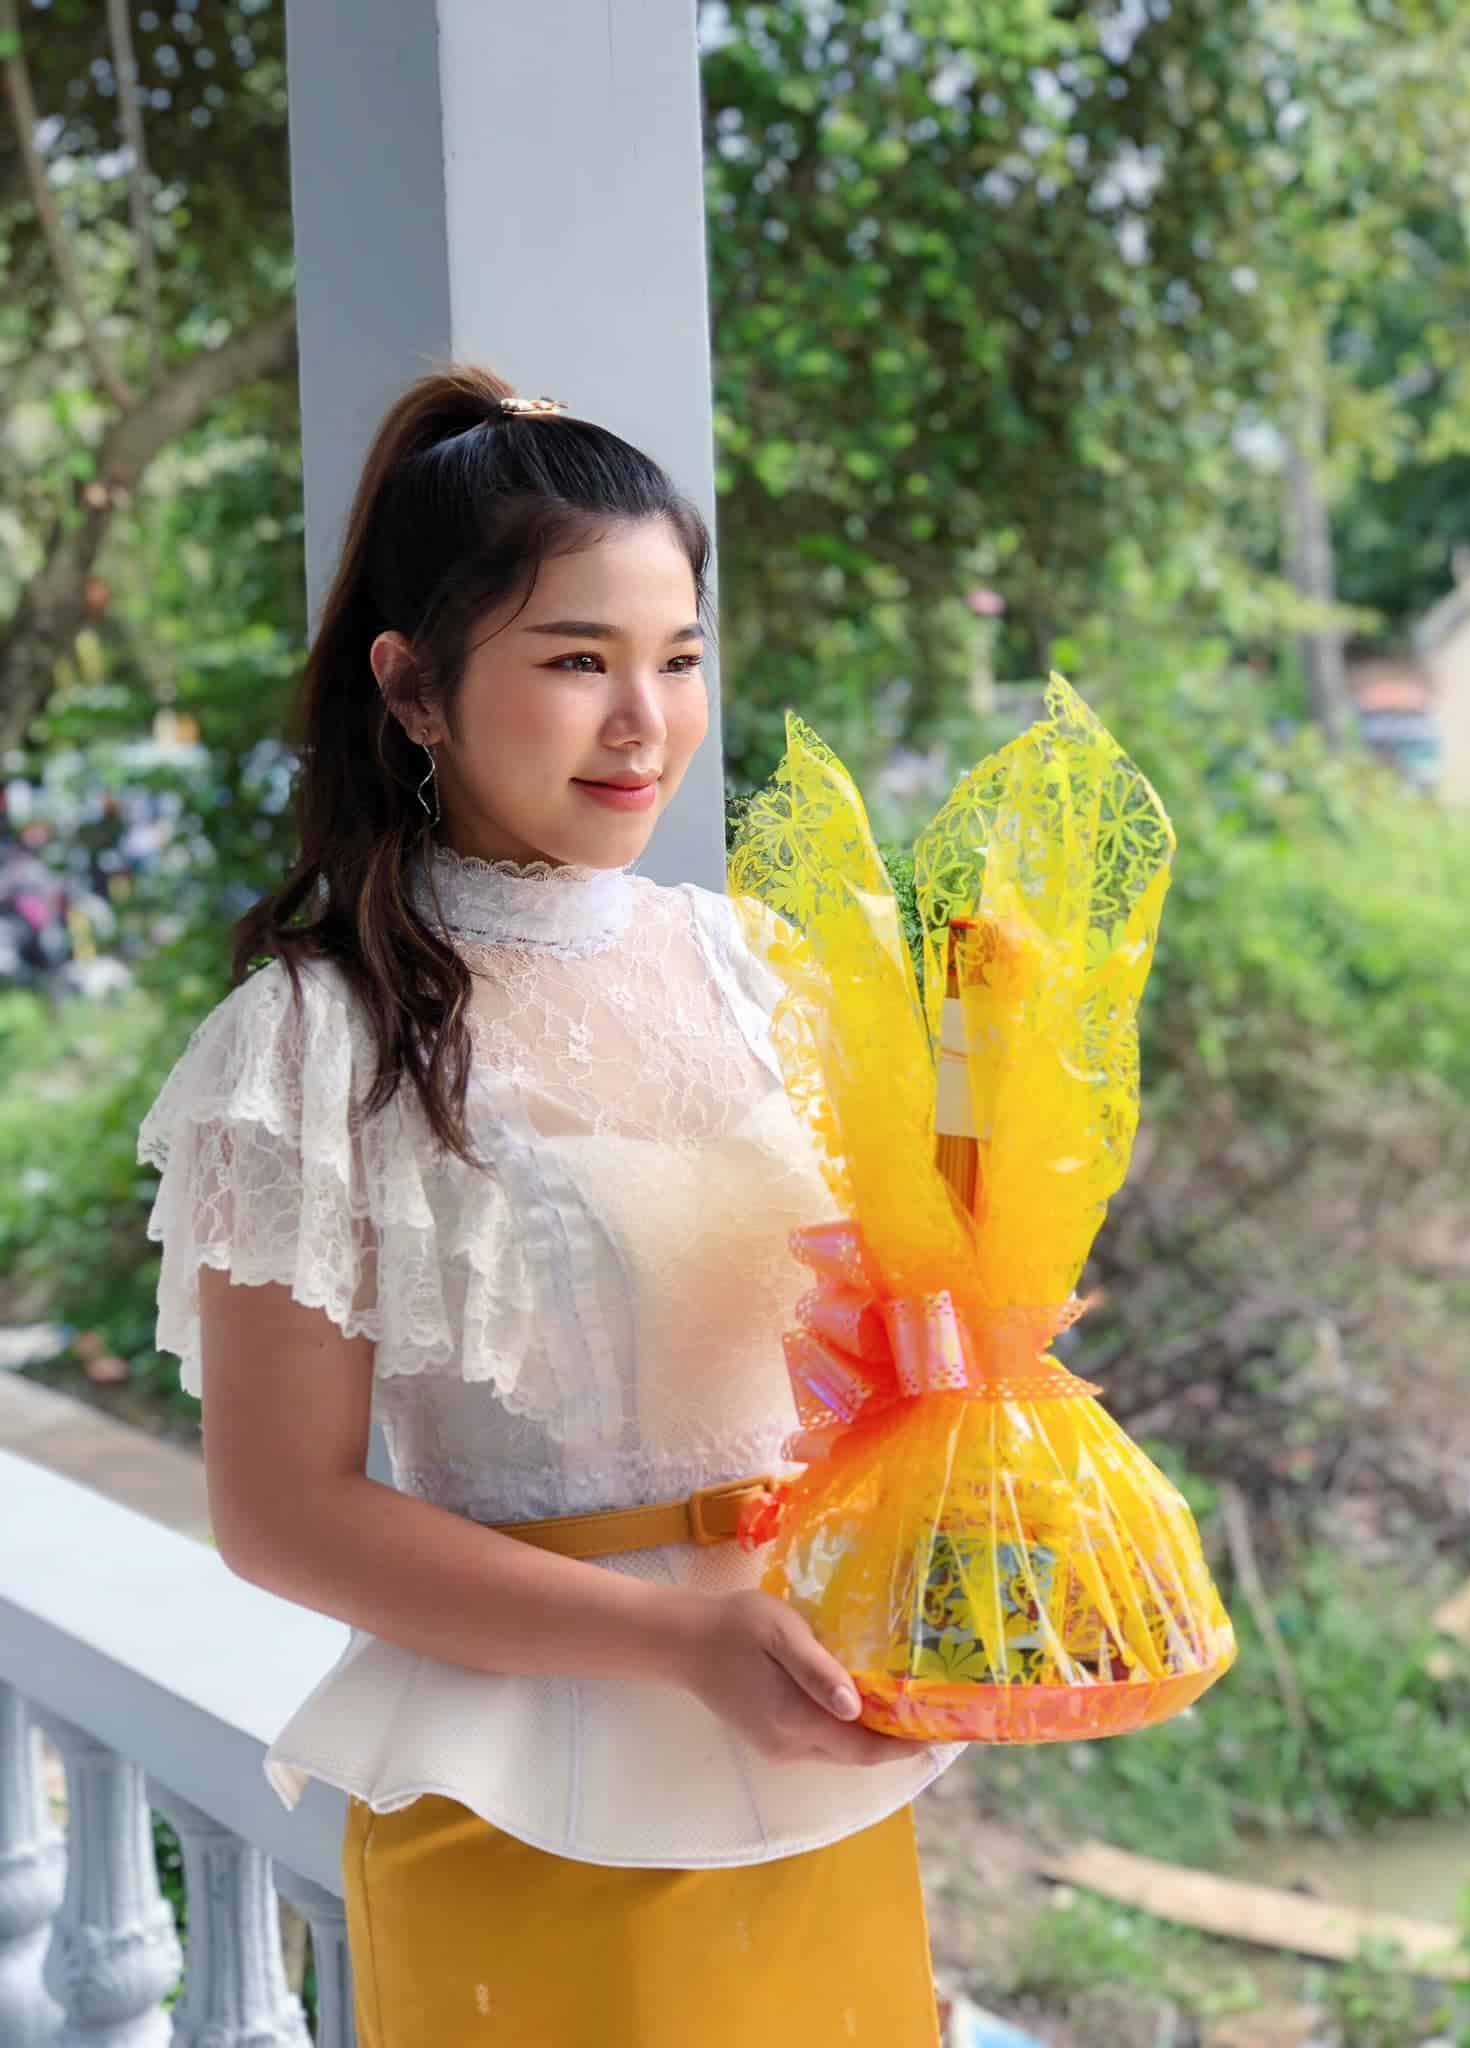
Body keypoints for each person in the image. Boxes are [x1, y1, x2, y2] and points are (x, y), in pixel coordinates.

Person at [136, 365, 960, 2046]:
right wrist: (681, 1647)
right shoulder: (309, 1045)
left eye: (679, 658)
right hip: (535, 1797)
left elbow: (864, 1350)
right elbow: (281, 1515)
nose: (644, 721)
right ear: (414, 689)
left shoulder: (753, 971)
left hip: (819, 1750)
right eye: (578, 661)